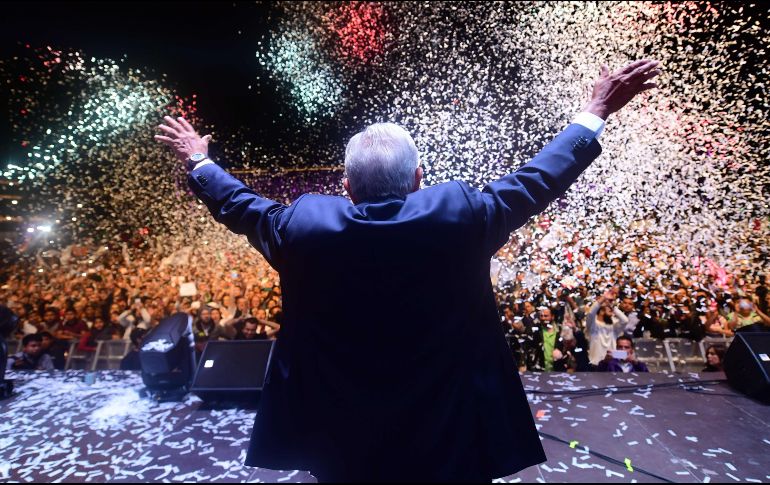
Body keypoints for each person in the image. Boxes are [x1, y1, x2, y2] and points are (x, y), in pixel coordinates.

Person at [156, 59, 660, 482]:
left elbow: (240, 204)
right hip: (453, 436)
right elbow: (538, 180)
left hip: (340, 438)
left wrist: (199, 159)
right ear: (420, 179)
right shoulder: (462, 216)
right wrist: (595, 110)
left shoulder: (303, 229)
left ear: (347, 188)